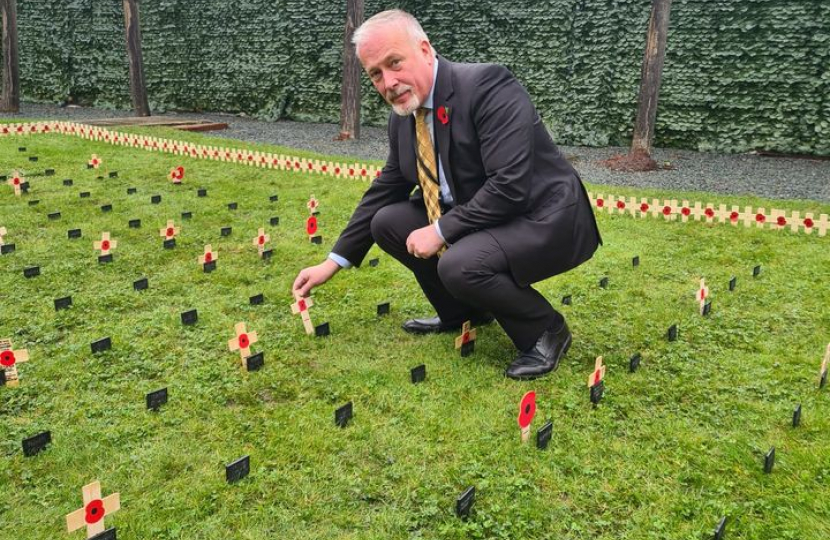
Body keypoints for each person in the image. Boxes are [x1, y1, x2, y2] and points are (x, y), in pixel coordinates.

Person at [292, 9, 601, 380]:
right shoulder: (404, 116)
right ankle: (462, 313)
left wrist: (439, 231)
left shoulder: (488, 86)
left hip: (542, 216)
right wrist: (332, 262)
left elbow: (510, 186)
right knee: (387, 221)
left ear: (424, 49)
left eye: (395, 62)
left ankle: (545, 329)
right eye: (376, 73)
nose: (388, 82)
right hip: (484, 215)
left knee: (459, 263)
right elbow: (385, 188)